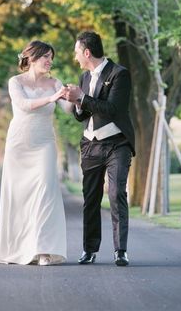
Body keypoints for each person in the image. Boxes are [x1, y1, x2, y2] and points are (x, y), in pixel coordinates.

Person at [0, 40, 72, 265]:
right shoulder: (15, 82)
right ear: (32, 58)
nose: (49, 61)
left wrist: (76, 97)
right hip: (19, 144)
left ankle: (43, 250)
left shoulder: (55, 83)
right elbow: (24, 105)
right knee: (19, 196)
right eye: (45, 56)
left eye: (51, 57)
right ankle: (18, 246)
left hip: (44, 142)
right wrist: (52, 98)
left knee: (45, 189)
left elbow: (68, 109)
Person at [63, 31, 135, 267]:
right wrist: (75, 102)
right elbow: (82, 115)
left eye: (77, 53)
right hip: (90, 145)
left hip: (117, 144)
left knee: (116, 193)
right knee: (90, 198)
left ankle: (120, 250)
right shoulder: (84, 77)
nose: (75, 58)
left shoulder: (119, 74)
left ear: (87, 52)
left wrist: (81, 98)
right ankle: (89, 250)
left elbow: (113, 109)